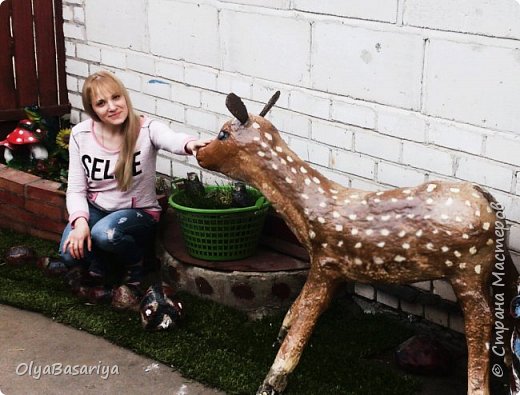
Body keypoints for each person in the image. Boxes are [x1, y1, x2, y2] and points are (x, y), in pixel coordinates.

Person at [59, 70, 210, 293]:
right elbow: (76, 190)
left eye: (116, 97)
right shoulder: (80, 135)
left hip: (138, 212)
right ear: (93, 110)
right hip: (97, 209)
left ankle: (137, 263)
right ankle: (104, 262)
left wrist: (191, 145)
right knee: (69, 253)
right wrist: (80, 223)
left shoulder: (146, 129)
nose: (112, 107)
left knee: (105, 234)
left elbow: (171, 138)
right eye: (101, 103)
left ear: (125, 97)